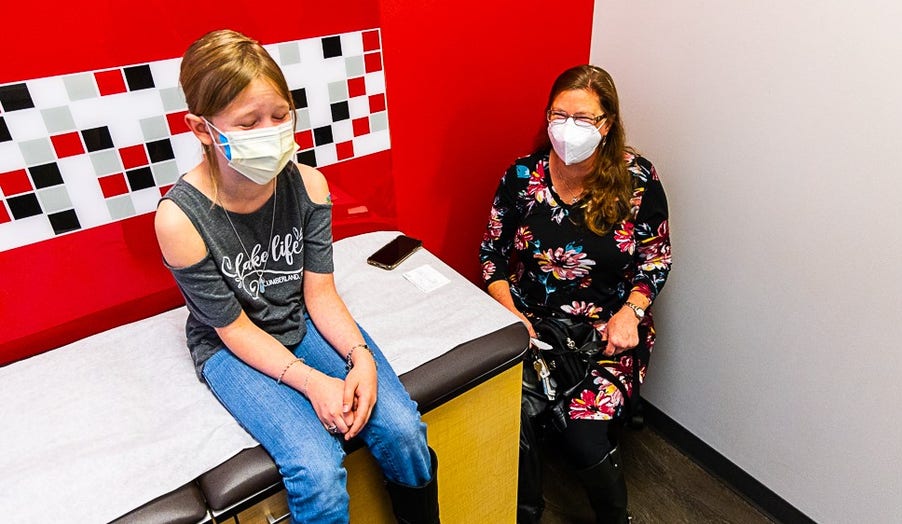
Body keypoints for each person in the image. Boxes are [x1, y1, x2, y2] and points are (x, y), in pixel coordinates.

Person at [154, 29, 439, 524]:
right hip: (230, 347)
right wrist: (313, 383)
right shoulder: (180, 220)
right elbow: (233, 328)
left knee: (402, 429)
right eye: (248, 123)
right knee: (317, 470)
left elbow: (320, 292)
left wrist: (360, 358)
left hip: (299, 317)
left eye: (280, 115)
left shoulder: (309, 186)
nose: (271, 131)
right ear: (202, 129)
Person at [479, 65, 671, 524]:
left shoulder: (637, 181)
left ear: (607, 125)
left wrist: (631, 314)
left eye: (584, 119)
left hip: (606, 332)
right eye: (559, 115)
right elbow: (492, 253)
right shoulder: (522, 177)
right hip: (529, 324)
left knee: (583, 436)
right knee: (509, 413)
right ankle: (525, 512)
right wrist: (510, 315)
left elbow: (656, 259)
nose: (569, 129)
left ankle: (615, 516)